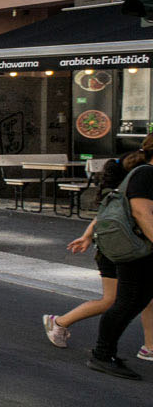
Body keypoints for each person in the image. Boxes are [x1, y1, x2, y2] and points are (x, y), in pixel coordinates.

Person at [48, 153, 153, 362]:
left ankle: (148, 347)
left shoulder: (133, 179)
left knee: (142, 300)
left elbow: (109, 213)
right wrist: (87, 236)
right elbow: (118, 213)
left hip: (123, 248)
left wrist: (87, 236)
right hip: (117, 250)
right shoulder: (142, 177)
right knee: (113, 301)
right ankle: (60, 323)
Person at [77, 149, 153, 379]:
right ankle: (102, 354)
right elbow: (141, 213)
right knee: (126, 302)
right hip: (136, 249)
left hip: (142, 248)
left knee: (136, 300)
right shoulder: (146, 174)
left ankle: (105, 352)